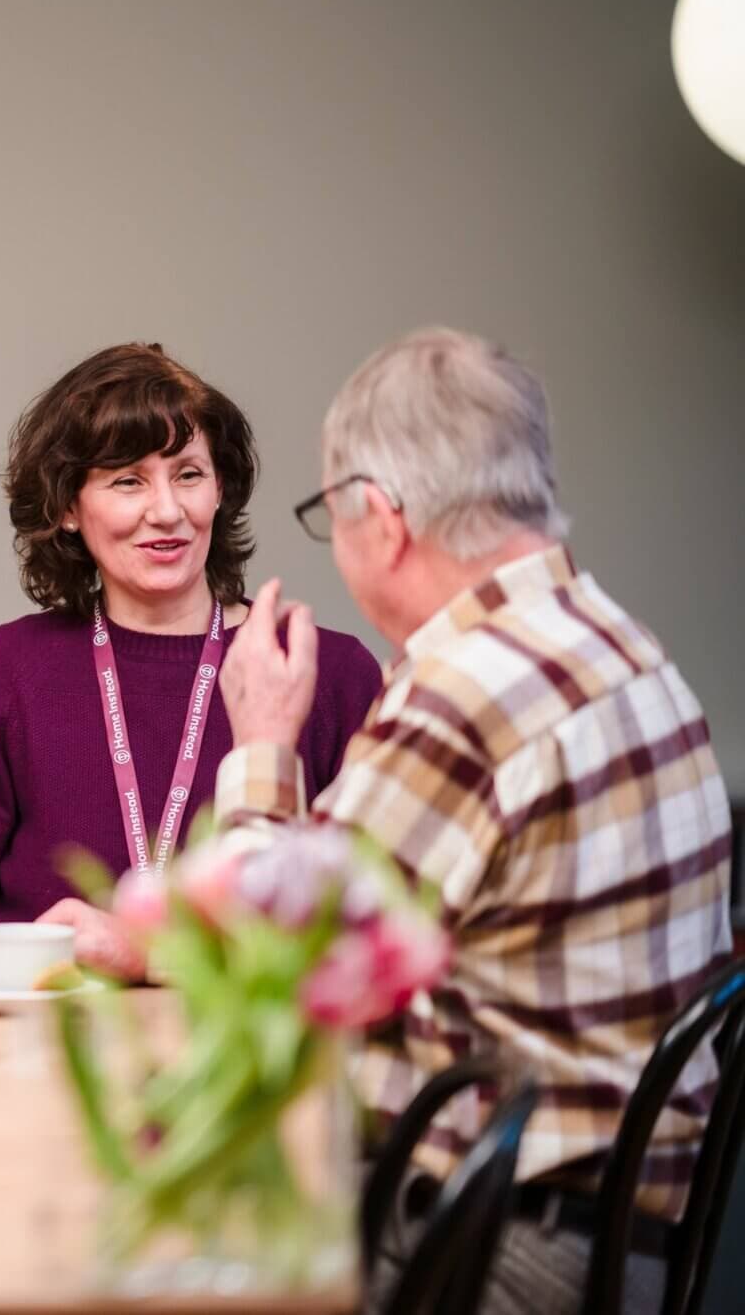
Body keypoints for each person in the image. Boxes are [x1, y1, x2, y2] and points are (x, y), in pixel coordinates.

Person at [209, 327, 731, 1314]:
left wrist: (263, 744)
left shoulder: (466, 693)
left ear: (381, 515)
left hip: (498, 1247)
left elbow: (263, 977)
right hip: (629, 1234)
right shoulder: (618, 641)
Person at [0, 342, 381, 969]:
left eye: (189, 473)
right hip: (29, 1050)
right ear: (66, 508)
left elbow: (378, 934)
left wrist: (142, 951)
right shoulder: (13, 668)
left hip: (254, 1061)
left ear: (220, 488)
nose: (166, 510)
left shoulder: (322, 671)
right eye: (127, 481)